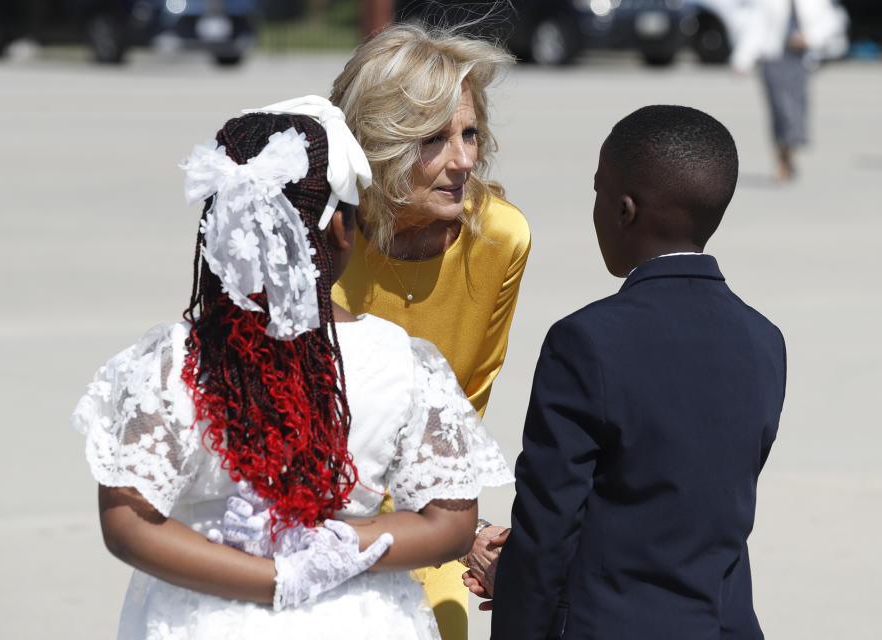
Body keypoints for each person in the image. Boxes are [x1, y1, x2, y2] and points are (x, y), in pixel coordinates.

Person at [71, 102, 512, 639]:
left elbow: (127, 523)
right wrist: (343, 546)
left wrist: (272, 578)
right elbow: (451, 525)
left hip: (203, 617)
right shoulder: (400, 361)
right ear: (343, 231)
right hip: (357, 618)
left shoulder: (173, 361)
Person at [486, 106, 787, 638]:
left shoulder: (586, 341)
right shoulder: (764, 340)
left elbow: (549, 524)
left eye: (598, 190)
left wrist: (515, 596)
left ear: (625, 210)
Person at [324, 24, 530, 640]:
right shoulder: (321, 237)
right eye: (433, 139)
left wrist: (463, 530)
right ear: (378, 143)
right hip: (308, 520)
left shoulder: (501, 239)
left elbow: (459, 412)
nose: (464, 159)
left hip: (424, 523)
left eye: (469, 133)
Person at [730, 0, 847, 181]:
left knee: (796, 108)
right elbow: (755, 25)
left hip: (800, 59)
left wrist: (809, 37)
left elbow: (831, 21)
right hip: (773, 58)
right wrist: (742, 59)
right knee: (779, 108)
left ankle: (789, 154)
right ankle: (781, 158)